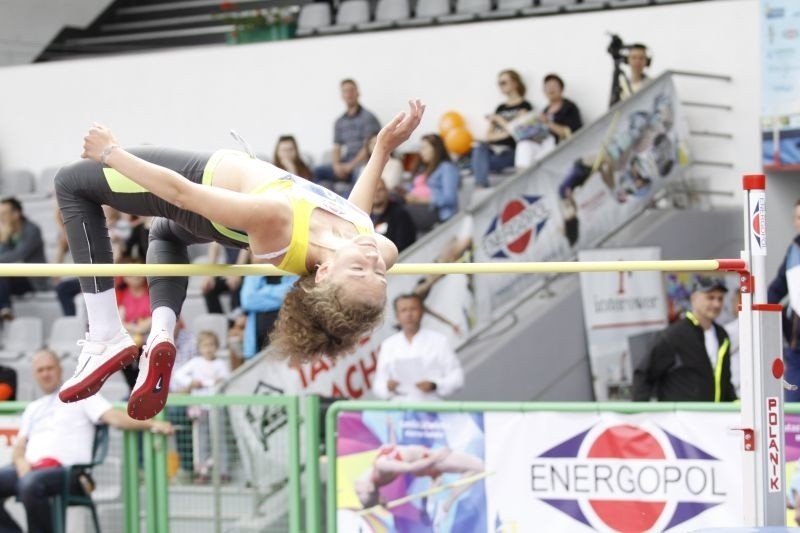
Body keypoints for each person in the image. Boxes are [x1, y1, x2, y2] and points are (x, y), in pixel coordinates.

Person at [53, 99, 424, 420]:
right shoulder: (373, 247)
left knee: (72, 182)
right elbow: (354, 214)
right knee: (164, 233)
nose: (374, 258)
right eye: (379, 274)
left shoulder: (279, 221)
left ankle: (105, 335)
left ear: (324, 273)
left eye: (361, 268)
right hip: (228, 210)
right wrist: (382, 150)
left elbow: (183, 195)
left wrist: (109, 153)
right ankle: (160, 333)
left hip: (207, 185)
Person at [0, 349, 172, 533]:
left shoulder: (81, 396)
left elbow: (114, 417)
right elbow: (19, 447)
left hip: (70, 473)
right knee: (27, 480)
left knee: (29, 484)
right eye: (40, 370)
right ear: (34, 374)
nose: (45, 374)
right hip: (31, 468)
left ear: (60, 369)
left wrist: (153, 424)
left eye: (49, 368)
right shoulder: (33, 408)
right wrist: (20, 462)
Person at [632, 277, 737, 402]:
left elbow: (724, 380)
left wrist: (735, 406)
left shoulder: (722, 334)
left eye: (720, 298)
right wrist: (641, 414)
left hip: (715, 418)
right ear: (694, 299)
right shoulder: (674, 335)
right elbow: (644, 373)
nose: (717, 304)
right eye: (710, 297)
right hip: (681, 418)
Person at [373, 293, 464, 401]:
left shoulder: (439, 341)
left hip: (432, 404)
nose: (409, 314)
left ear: (422, 312)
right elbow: (378, 384)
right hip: (399, 407)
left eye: (413, 309)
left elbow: (457, 378)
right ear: (397, 316)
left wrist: (435, 385)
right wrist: (387, 387)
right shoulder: (388, 345)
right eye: (404, 310)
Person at [173, 330, 230, 483]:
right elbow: (179, 375)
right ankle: (202, 471)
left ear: (216, 347)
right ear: (199, 348)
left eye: (211, 345)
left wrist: (218, 381)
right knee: (201, 440)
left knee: (219, 439)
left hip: (216, 407)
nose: (208, 349)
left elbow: (225, 380)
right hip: (200, 407)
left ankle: (222, 470)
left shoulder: (220, 364)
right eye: (205, 345)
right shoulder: (195, 363)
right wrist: (191, 383)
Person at [314, 79, 381, 195]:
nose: (349, 94)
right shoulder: (339, 122)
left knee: (359, 177)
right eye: (345, 91)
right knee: (317, 172)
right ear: (342, 95)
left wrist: (350, 166)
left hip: (362, 164)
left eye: (351, 90)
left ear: (357, 93)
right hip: (345, 164)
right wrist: (336, 166)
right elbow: (336, 147)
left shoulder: (368, 118)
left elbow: (370, 147)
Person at [470, 69, 533, 188]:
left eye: (503, 82)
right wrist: (506, 132)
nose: (500, 86)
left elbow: (520, 131)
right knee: (479, 148)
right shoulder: (500, 108)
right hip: (494, 150)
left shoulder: (525, 106)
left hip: (512, 151)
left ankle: (479, 180)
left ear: (515, 83)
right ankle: (480, 187)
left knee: (478, 163)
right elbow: (488, 136)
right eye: (499, 83)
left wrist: (499, 120)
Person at [768, 198, 800, 401]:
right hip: (797, 348)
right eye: (798, 217)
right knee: (793, 409)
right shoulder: (793, 251)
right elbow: (776, 289)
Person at [398, 133, 460, 232]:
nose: (421, 152)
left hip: (434, 211)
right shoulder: (422, 168)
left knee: (399, 214)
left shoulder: (446, 168)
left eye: (424, 148)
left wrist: (420, 200)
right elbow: (412, 188)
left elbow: (450, 199)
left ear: (436, 149)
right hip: (415, 205)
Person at [0, 197, 47, 320]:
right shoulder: (5, 231)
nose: (1, 217)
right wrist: (4, 239)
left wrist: (4, 242)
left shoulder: (32, 230)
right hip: (11, 279)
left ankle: (6, 307)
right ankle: (4, 309)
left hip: (32, 280)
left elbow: (18, 255)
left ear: (16, 214)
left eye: (4, 213)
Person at [239, 268, 297, 358]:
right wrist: (280, 296)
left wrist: (261, 292)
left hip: (287, 345)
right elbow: (247, 301)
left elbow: (293, 294)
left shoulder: (294, 274)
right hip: (257, 348)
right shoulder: (252, 276)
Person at [370, 178, 416, 253]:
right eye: (373, 190)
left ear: (387, 191)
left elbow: (402, 245)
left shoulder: (399, 214)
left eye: (380, 190)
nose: (376, 193)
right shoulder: (363, 215)